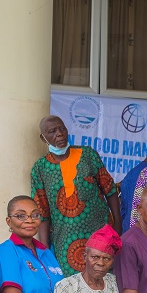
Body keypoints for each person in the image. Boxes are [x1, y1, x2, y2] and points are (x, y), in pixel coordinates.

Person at [30, 115, 120, 276]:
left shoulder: (87, 155)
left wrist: (118, 226)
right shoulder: (40, 168)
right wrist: (45, 249)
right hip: (65, 243)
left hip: (100, 233)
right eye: (52, 131)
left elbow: (110, 190)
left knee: (104, 280)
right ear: (43, 138)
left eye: (62, 128)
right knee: (73, 288)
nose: (59, 134)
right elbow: (42, 212)